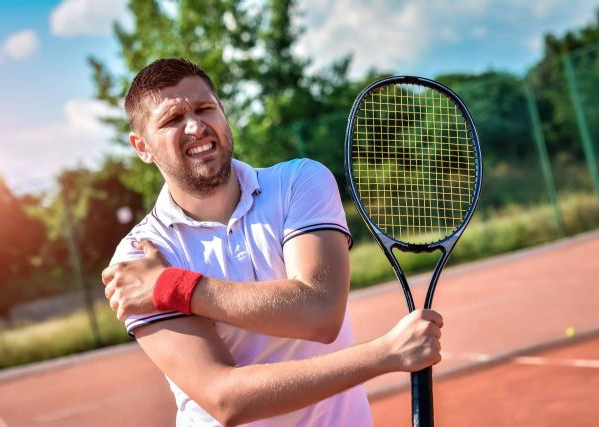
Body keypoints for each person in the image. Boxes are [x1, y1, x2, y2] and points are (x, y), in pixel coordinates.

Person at [101, 57, 443, 427]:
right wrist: (386, 354)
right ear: (142, 147)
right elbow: (226, 398)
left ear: (224, 112)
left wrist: (172, 287)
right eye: (171, 120)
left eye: (205, 108)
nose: (196, 127)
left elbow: (319, 313)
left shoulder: (299, 182)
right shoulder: (139, 258)